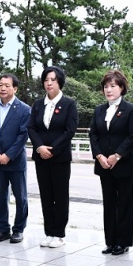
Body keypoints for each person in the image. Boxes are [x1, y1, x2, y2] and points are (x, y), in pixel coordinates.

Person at [89, 70, 133, 256]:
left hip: (124, 164)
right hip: (104, 165)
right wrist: (99, 155)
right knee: (109, 203)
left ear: (122, 88)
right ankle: (110, 241)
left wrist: (117, 155)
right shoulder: (99, 110)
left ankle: (123, 242)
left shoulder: (131, 109)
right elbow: (93, 133)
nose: (109, 90)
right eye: (106, 86)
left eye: (113, 86)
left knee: (124, 203)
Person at [28, 66, 79, 248]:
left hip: (60, 158)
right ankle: (49, 232)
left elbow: (69, 131)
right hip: (41, 157)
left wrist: (52, 149)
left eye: (53, 80)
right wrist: (40, 147)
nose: (49, 83)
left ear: (60, 82)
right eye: (46, 80)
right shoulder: (37, 104)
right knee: (46, 195)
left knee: (60, 195)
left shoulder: (69, 104)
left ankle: (59, 234)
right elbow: (32, 128)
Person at [0, 74, 31, 244]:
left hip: (15, 162)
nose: (2, 88)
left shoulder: (24, 109)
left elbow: (23, 135)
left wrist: (8, 155)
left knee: (20, 197)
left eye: (7, 85)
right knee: (1, 196)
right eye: (0, 85)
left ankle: (18, 230)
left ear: (15, 89)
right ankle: (3, 229)